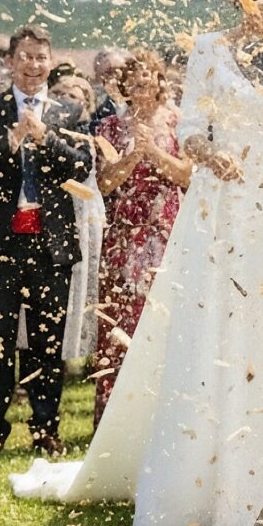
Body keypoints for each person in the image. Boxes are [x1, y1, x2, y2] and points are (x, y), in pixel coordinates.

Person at [10, 0, 263, 526]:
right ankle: (216, 483)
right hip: (228, 206)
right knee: (225, 326)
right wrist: (208, 153)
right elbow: (191, 129)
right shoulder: (212, 50)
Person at [0, 25, 91, 459]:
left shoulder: (69, 112)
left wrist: (44, 138)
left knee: (45, 340)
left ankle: (45, 427)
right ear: (10, 62)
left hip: (49, 242)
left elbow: (81, 166)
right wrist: (12, 139)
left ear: (50, 62)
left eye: (41, 57)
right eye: (26, 56)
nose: (33, 65)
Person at [92, 49, 190, 424]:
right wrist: (132, 158)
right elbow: (103, 184)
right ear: (124, 85)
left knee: (163, 317)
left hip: (166, 230)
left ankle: (166, 416)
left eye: (148, 75)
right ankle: (116, 417)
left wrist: (153, 152)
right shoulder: (110, 127)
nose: (141, 82)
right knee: (121, 320)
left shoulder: (178, 121)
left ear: (160, 81)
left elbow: (187, 176)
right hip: (124, 234)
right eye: (133, 76)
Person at [49, 73, 106, 364]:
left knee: (82, 281)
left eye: (74, 95)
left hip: (82, 214)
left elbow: (81, 172)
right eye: (59, 92)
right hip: (52, 214)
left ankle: (78, 354)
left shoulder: (85, 134)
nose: (65, 99)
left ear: (86, 103)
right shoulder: (46, 128)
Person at [89, 48, 129, 134]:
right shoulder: (90, 97)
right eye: (110, 71)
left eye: (121, 69)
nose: (118, 74)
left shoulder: (131, 98)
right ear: (97, 68)